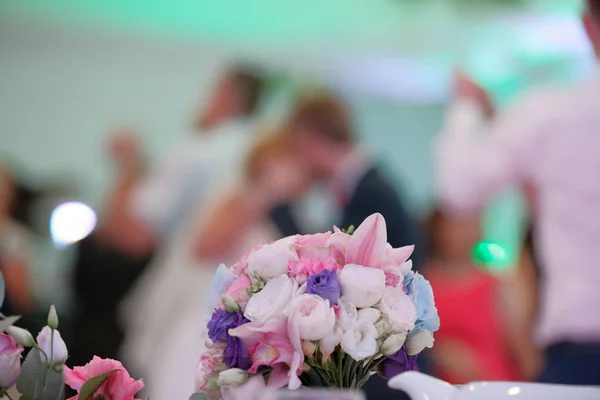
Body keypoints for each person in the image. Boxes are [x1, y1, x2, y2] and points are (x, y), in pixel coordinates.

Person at [194, 93, 423, 399]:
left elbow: (338, 267)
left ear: (310, 138)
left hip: (382, 361)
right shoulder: (351, 187)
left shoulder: (370, 191)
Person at [435, 0, 600, 385]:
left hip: (583, 353)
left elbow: (458, 189)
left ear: (588, 26)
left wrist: (466, 109)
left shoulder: (550, 115)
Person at [119, 66, 266, 398]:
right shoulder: (264, 148)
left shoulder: (200, 148)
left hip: (189, 289)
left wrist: (129, 166)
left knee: (167, 375)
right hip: (246, 301)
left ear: (228, 96)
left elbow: (139, 226)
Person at [423, 209, 522, 384]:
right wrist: (438, 352)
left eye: (466, 225)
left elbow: (522, 351)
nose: (457, 233)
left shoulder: (499, 286)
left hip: (492, 388)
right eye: (451, 224)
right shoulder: (418, 284)